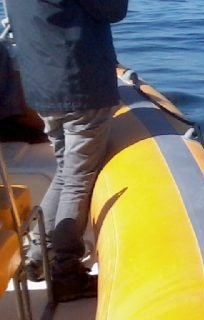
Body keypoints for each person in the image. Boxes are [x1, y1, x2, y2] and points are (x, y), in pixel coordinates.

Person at [5, 0, 128, 302]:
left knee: (66, 172)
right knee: (77, 179)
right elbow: (113, 10)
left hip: (44, 87)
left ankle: (37, 256)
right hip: (79, 85)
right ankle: (66, 270)